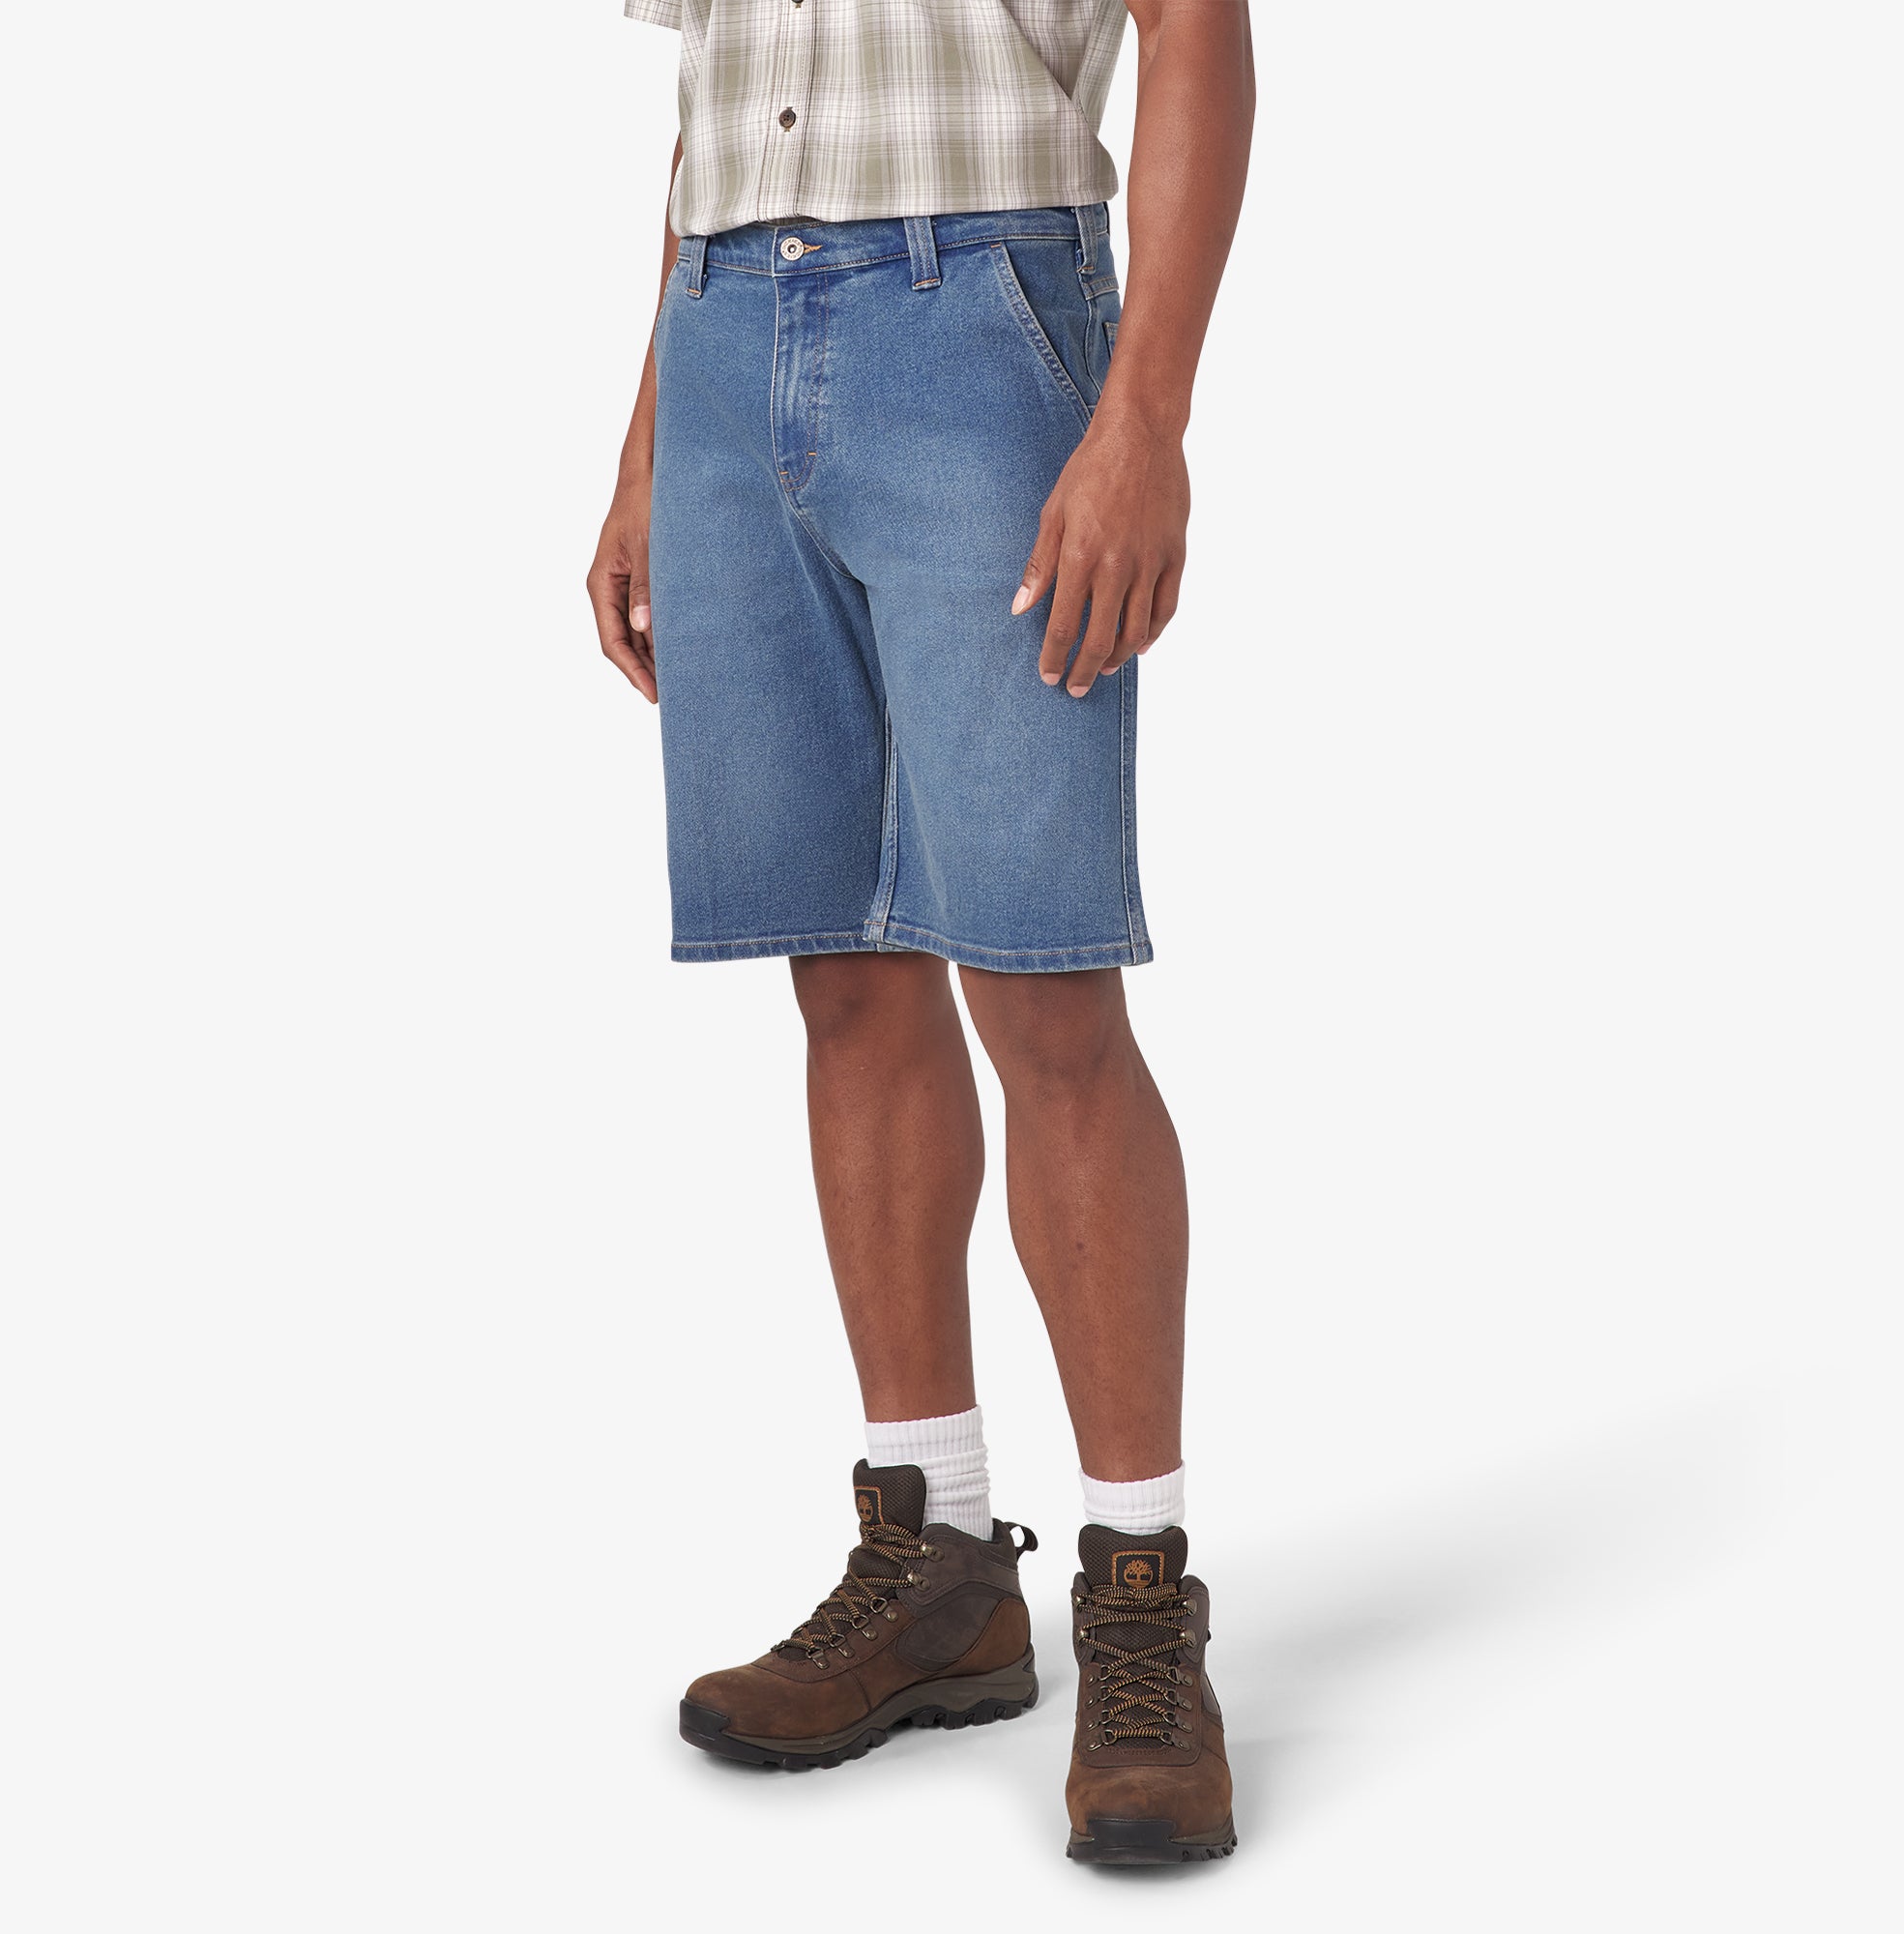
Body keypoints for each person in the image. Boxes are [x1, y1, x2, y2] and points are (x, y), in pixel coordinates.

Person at [588, 0, 1253, 1865]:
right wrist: (647, 441)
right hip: (725, 327)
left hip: (982, 317)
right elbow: (711, 114)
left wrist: (1148, 416)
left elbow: (1199, 29)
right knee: (846, 974)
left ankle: (1139, 1595)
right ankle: (938, 1557)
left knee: (1043, 984)